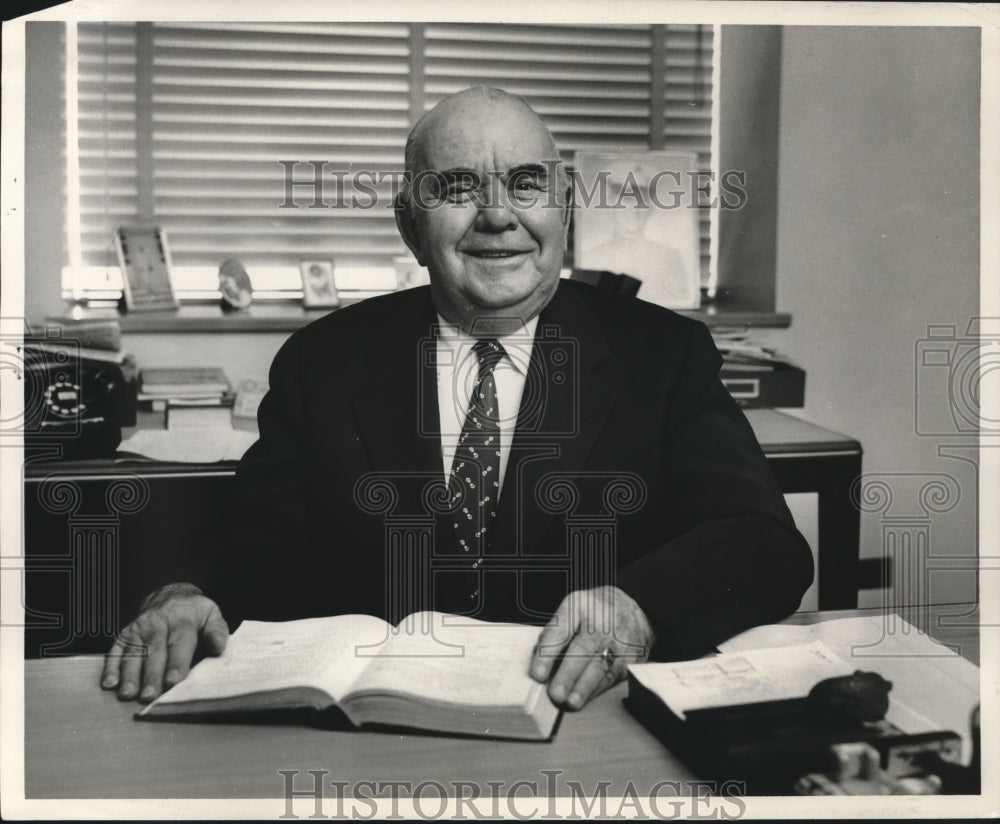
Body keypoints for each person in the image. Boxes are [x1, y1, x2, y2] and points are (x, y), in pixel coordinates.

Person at [102, 86, 812, 712]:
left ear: (563, 206)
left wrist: (638, 607)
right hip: (376, 739)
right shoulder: (324, 362)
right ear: (409, 224)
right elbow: (258, 548)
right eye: (459, 187)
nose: (497, 216)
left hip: (590, 721)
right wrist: (186, 595)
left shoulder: (663, 355)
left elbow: (763, 543)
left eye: (527, 183)